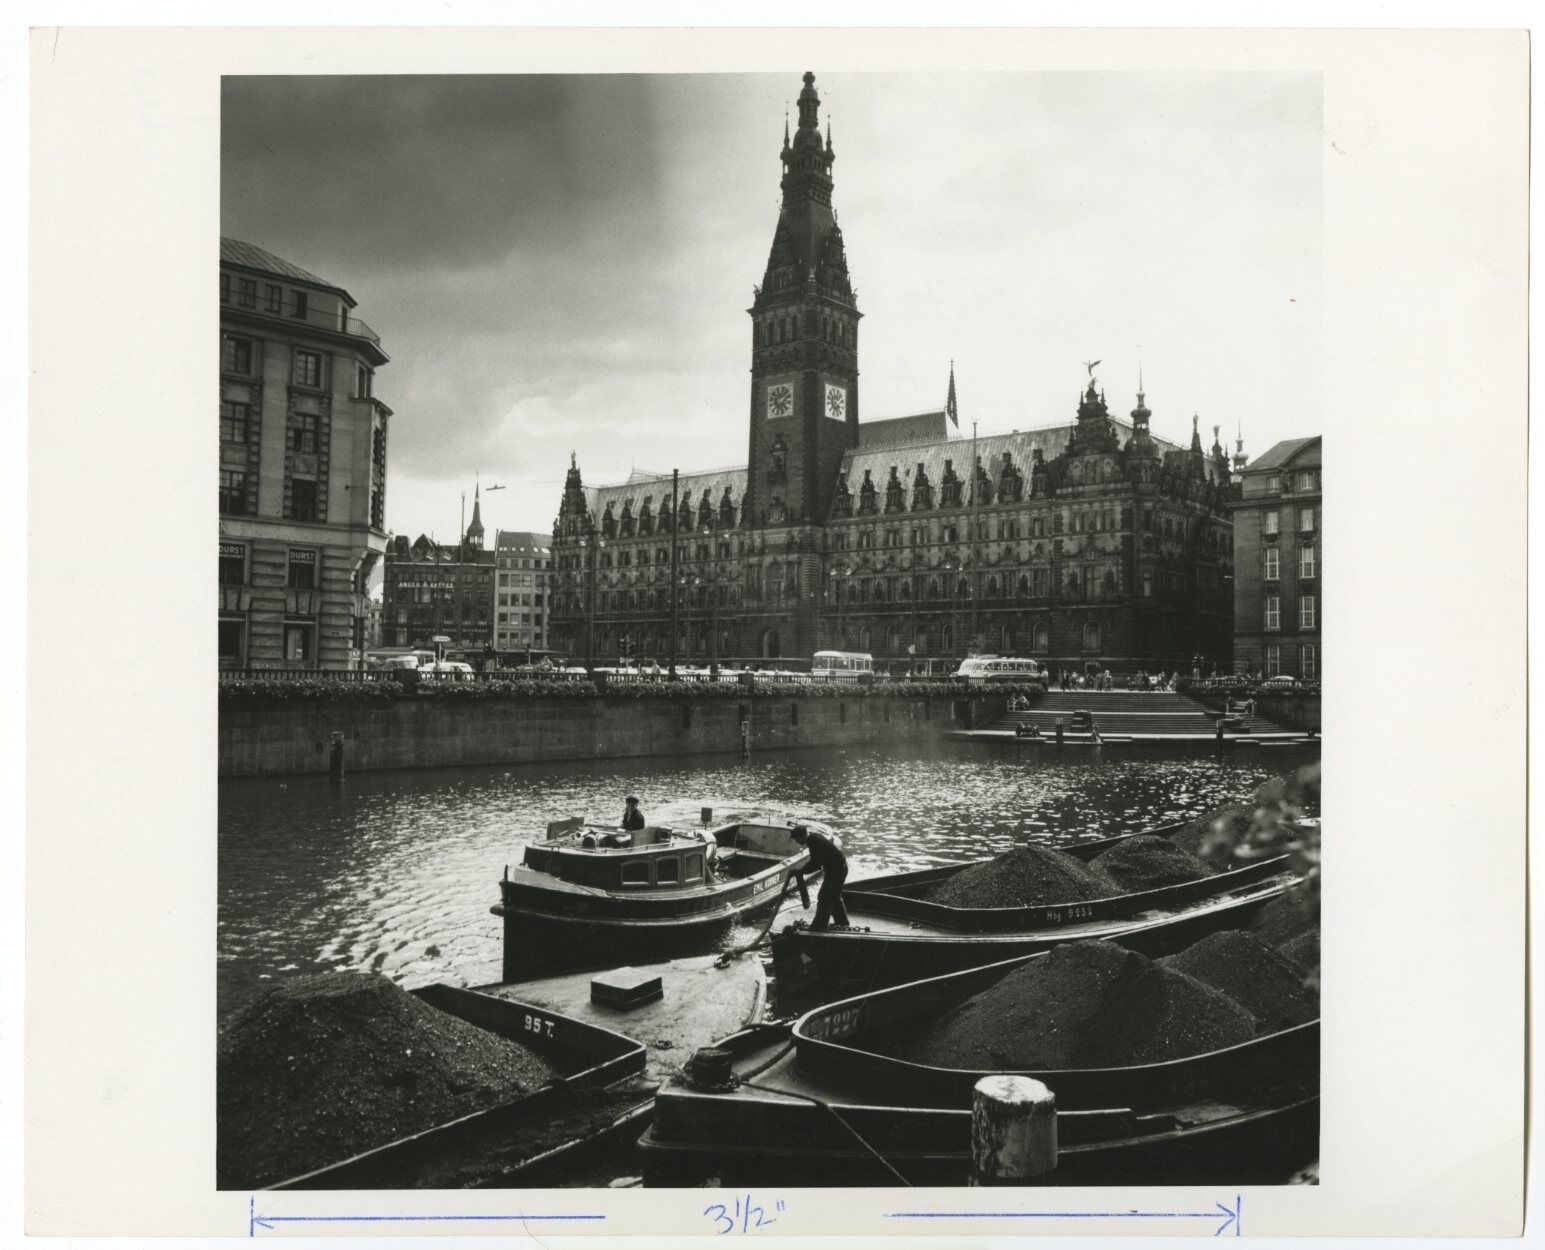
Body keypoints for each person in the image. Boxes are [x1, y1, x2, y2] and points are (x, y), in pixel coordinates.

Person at [791, 824, 849, 931]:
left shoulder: (813, 842)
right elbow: (816, 861)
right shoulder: (814, 837)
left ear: (803, 835)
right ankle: (842, 923)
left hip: (837, 871)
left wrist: (801, 871)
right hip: (840, 868)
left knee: (824, 897)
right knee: (834, 896)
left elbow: (815, 864)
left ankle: (819, 925)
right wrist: (802, 871)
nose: (797, 842)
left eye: (797, 839)